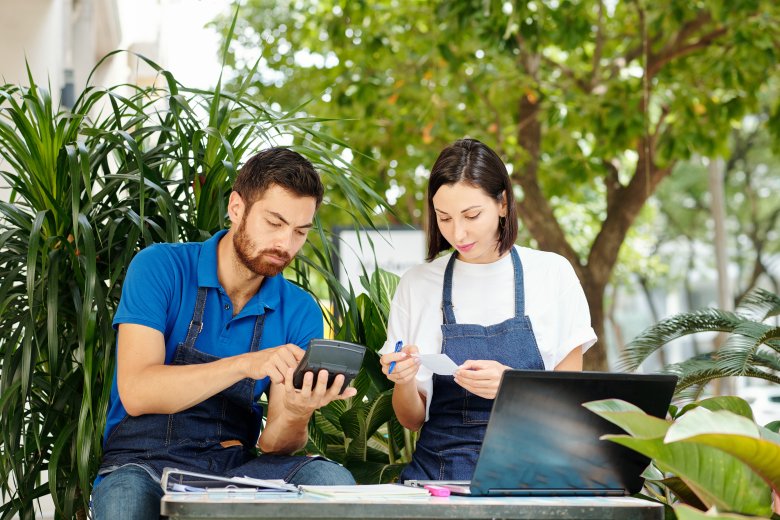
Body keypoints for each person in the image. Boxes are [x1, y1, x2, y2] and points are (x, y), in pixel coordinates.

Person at [92, 148, 356, 519]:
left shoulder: (300, 309)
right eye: (275, 222)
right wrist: (246, 364)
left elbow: (276, 445)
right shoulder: (160, 267)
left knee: (331, 480)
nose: (286, 244)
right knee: (125, 505)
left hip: (235, 465)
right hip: (141, 463)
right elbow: (137, 392)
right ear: (236, 208)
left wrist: (297, 412)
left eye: (300, 232)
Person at [380, 138, 597, 481]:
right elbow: (411, 419)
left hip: (536, 472)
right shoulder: (417, 284)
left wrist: (512, 387)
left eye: (471, 215)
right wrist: (403, 381)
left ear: (502, 203)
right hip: (442, 473)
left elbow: (571, 403)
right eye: (444, 218)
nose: (458, 232)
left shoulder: (553, 273)